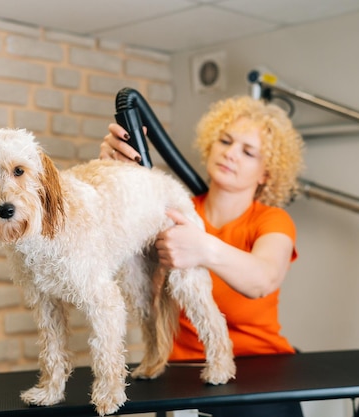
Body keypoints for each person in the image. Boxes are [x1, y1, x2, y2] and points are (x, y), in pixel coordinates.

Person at [100, 96, 305, 417]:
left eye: (248, 151)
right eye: (225, 140)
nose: (230, 152)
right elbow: (138, 284)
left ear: (266, 173)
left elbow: (264, 279)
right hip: (185, 374)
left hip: (263, 373)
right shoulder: (175, 209)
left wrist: (203, 247)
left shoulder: (271, 220)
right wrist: (119, 178)